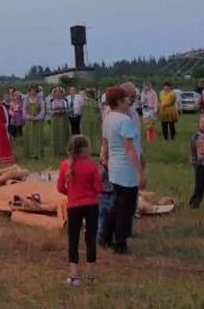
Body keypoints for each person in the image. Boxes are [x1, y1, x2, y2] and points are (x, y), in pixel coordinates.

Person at [99, 87, 145, 255]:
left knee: (117, 205)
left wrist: (104, 158)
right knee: (126, 209)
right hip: (126, 169)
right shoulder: (124, 121)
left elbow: (105, 143)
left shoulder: (108, 117)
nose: (129, 101)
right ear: (118, 101)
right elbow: (130, 150)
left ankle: (104, 236)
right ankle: (120, 242)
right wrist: (140, 173)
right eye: (126, 99)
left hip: (115, 168)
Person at [56, 135, 103, 286]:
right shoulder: (92, 166)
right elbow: (99, 188)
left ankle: (74, 275)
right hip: (91, 205)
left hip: (74, 206)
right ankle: (91, 274)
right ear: (84, 149)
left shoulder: (65, 166)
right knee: (90, 239)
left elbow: (60, 187)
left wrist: (71, 194)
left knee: (73, 240)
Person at [22, 86, 46, 160]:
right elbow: (24, 111)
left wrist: (36, 117)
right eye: (31, 91)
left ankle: (37, 154)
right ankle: (29, 154)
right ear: (29, 91)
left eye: (35, 91)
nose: (33, 92)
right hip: (29, 122)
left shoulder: (40, 100)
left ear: (37, 92)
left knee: (37, 137)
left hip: (37, 122)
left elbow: (43, 111)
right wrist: (29, 117)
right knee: (29, 137)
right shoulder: (26, 100)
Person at [47, 88, 71, 160]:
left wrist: (64, 111)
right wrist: (54, 112)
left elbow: (69, 109)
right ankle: (56, 151)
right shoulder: (51, 101)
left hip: (63, 119)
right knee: (55, 134)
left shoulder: (65, 100)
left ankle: (64, 151)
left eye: (59, 93)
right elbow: (48, 110)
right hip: (55, 119)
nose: (58, 94)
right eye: (56, 93)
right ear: (53, 94)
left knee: (64, 134)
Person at [81, 90, 102, 156]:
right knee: (87, 135)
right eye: (88, 94)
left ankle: (95, 151)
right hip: (86, 121)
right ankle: (88, 150)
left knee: (95, 136)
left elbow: (99, 111)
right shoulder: (84, 102)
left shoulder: (96, 102)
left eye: (90, 94)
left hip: (94, 120)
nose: (89, 95)